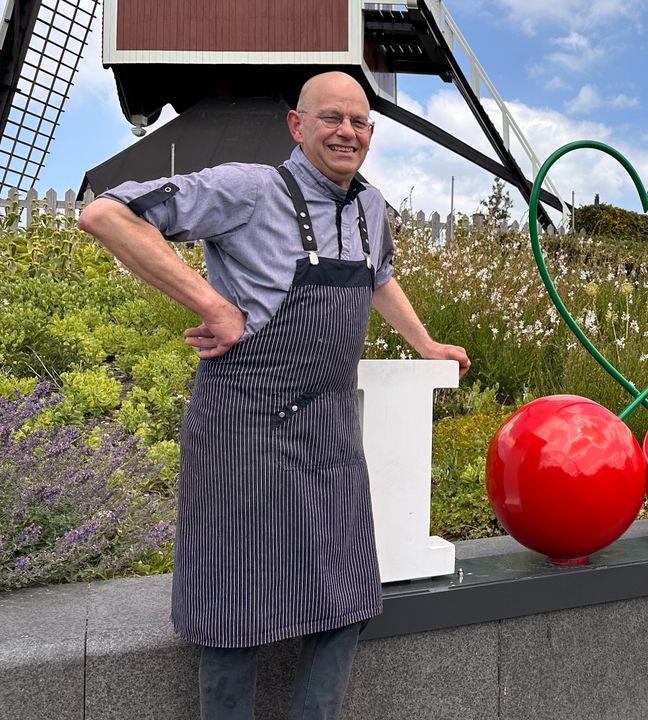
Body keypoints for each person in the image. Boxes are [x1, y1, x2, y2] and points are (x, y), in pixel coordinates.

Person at [78, 71, 470, 719]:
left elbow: (379, 278)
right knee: (232, 608)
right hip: (242, 430)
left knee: (347, 595)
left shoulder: (371, 207)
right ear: (296, 124)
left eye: (359, 121)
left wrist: (425, 343)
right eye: (331, 118)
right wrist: (212, 304)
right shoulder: (248, 188)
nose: (347, 132)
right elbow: (105, 214)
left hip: (330, 433)